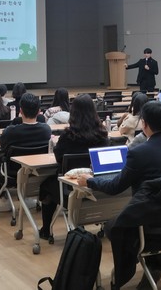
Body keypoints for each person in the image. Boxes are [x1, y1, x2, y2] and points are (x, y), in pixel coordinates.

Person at [77, 101, 161, 289]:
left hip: (150, 221)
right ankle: (160, 260)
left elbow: (115, 187)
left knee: (114, 227)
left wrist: (90, 181)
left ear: (144, 124)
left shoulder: (139, 152)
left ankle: (149, 265)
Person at [40, 94, 108, 237]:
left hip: (69, 188)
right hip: (96, 187)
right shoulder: (102, 135)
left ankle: (46, 230)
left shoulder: (68, 135)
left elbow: (59, 157)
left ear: (73, 113)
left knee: (46, 186)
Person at [0, 93, 51, 213]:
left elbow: (3, 147)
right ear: (39, 112)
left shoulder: (10, 131)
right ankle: (25, 197)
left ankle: (3, 200)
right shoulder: (46, 129)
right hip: (36, 171)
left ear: (20, 111)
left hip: (11, 171)